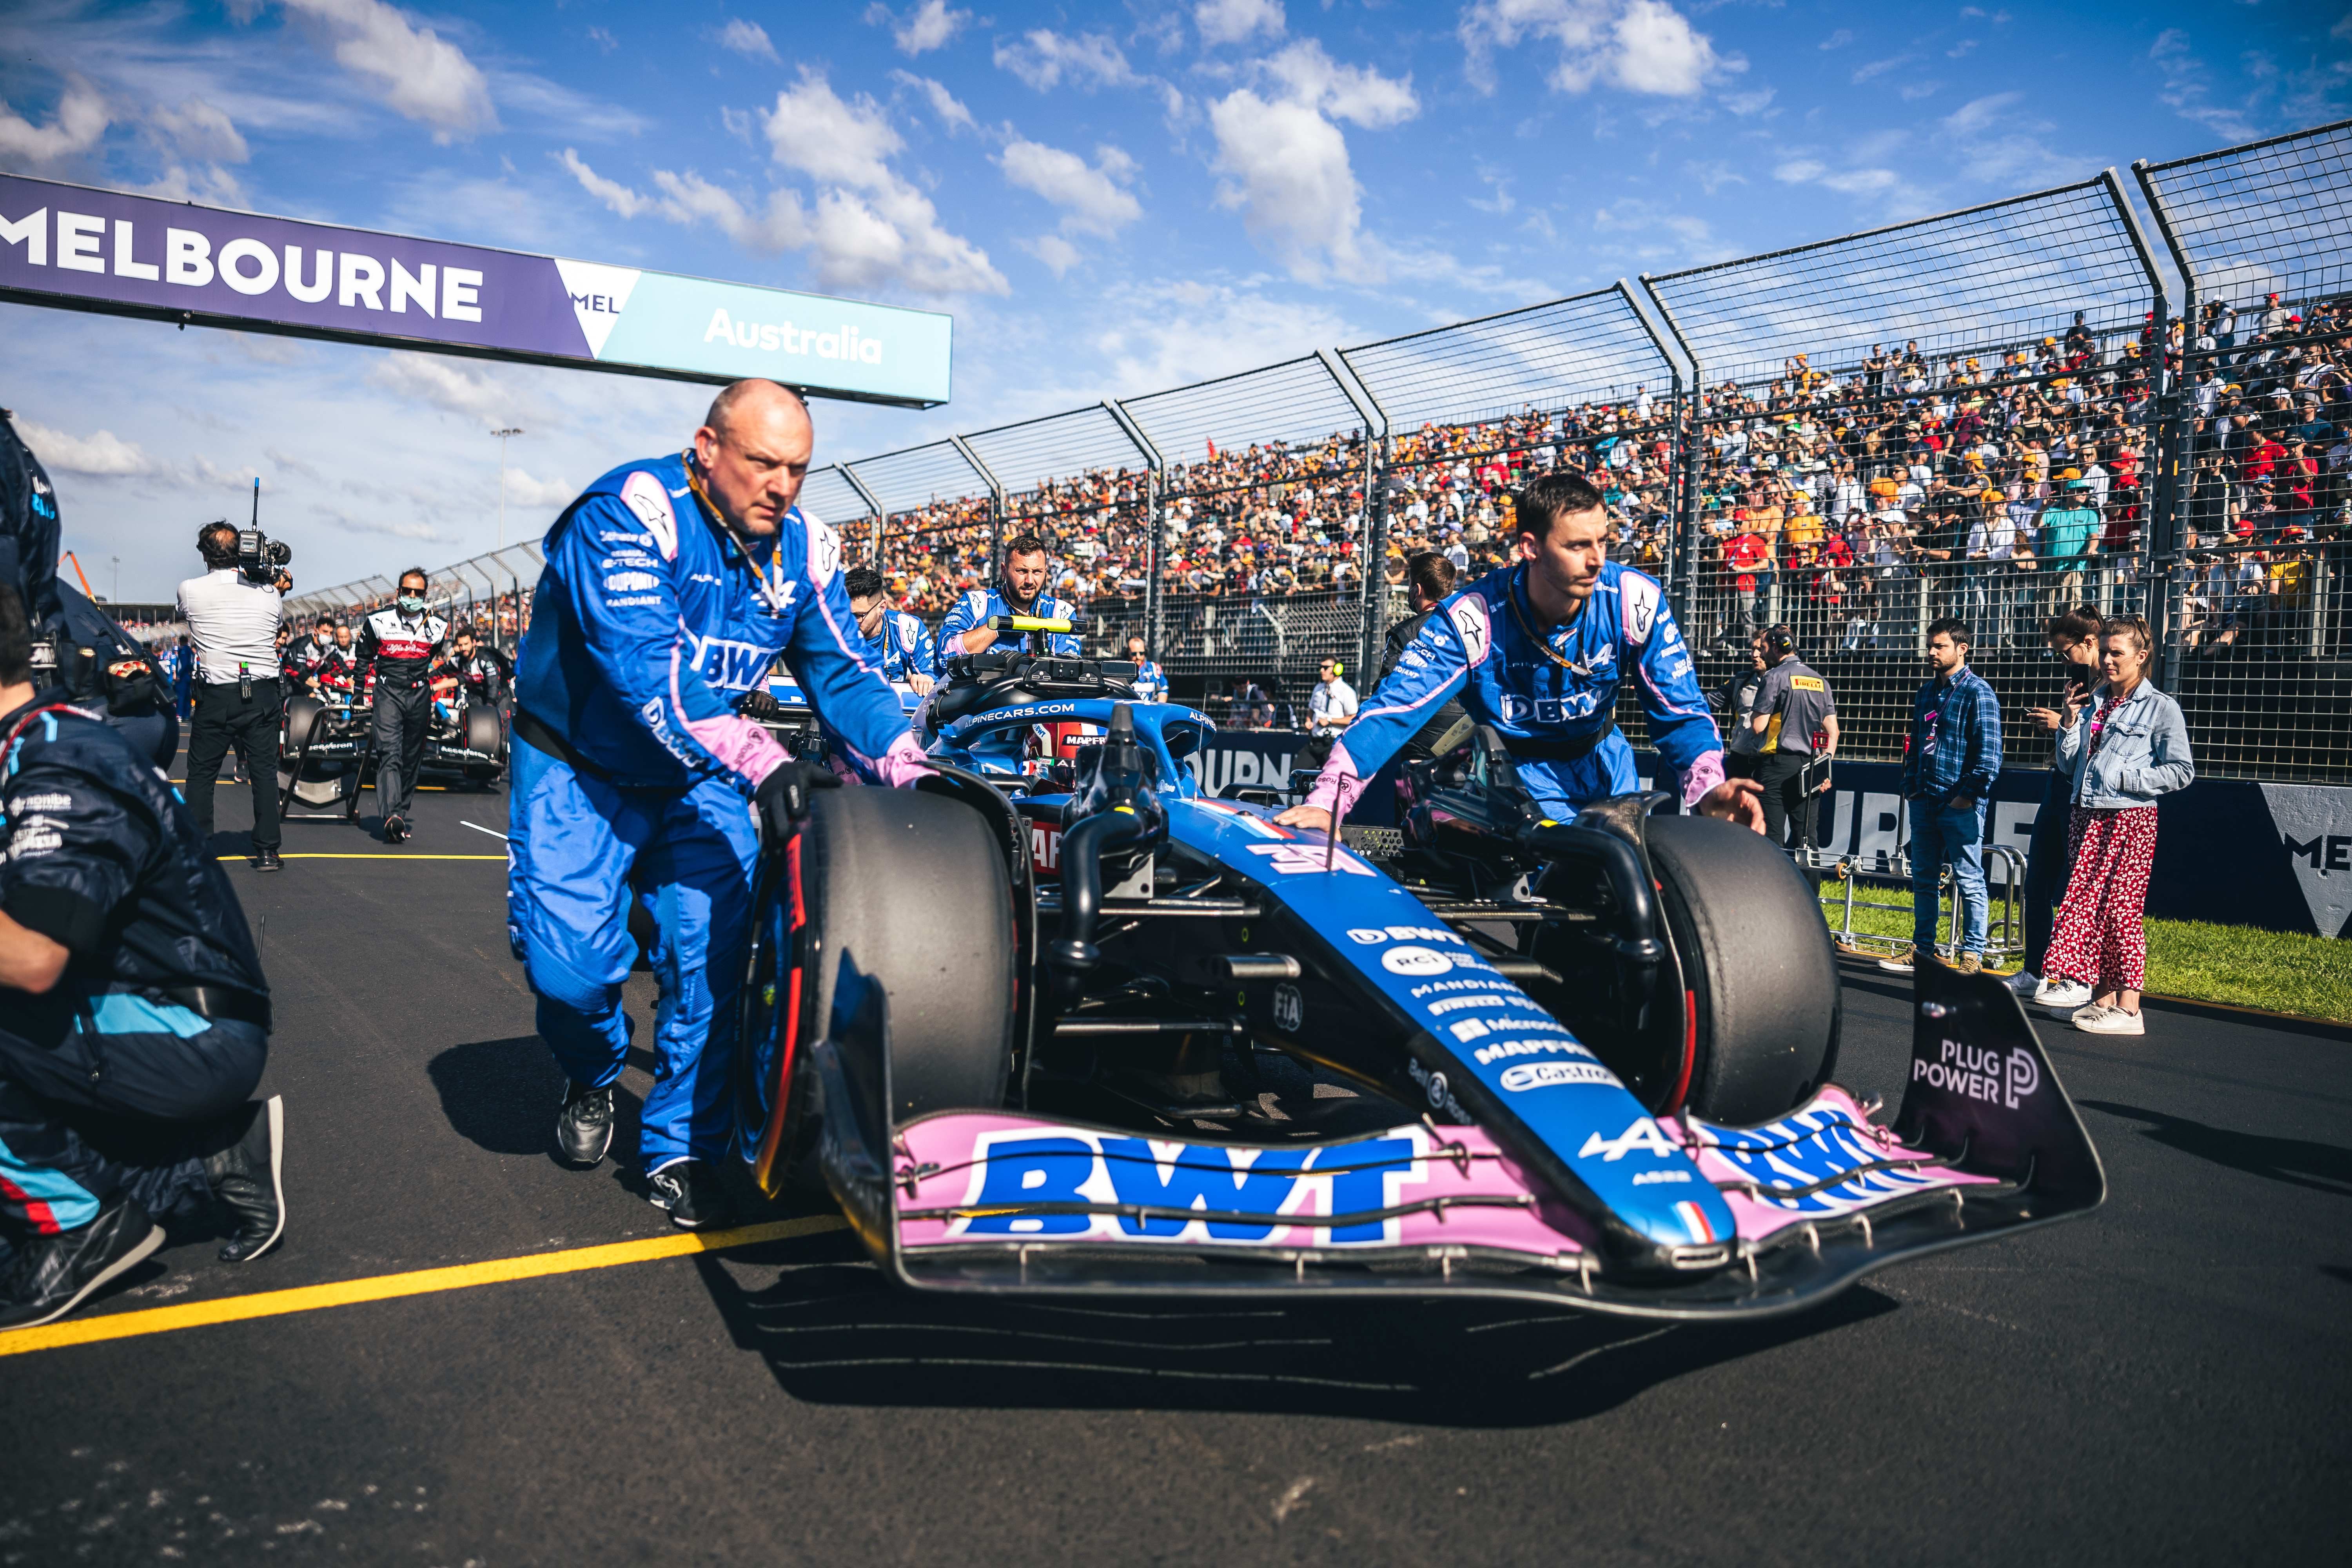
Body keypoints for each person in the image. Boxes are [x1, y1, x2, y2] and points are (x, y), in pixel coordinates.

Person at [508, 379, 927, 1230]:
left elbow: (843, 672)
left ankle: (677, 1146)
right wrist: (764, 760)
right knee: (571, 973)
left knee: (708, 966)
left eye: (799, 469)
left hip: (701, 778)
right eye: (763, 462)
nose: (781, 485)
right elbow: (646, 670)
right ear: (707, 448)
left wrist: (909, 765)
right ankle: (593, 1074)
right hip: (578, 767)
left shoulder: (805, 546)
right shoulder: (628, 512)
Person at [0, 583, 287, 1330]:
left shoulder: (62, 761)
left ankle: (78, 1225)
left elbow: (31, 958)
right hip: (139, 1010)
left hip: (193, 1027)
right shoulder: (31, 745)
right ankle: (211, 1168)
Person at [1274, 471, 1764, 833]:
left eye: (1603, 542)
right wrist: (1329, 800)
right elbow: (1392, 711)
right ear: (1529, 547)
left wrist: (1707, 788)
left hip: (1607, 764)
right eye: (1577, 545)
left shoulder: (1637, 600)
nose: (1597, 560)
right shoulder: (1471, 618)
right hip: (1517, 781)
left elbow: (1681, 714)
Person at [2034, 617, 2195, 1035]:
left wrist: (2126, 777)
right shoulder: (2094, 701)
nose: (2106, 660)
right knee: (2091, 911)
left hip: (2128, 817)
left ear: (2141, 657)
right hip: (2085, 814)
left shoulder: (2161, 707)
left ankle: (2129, 1008)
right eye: (2103, 651)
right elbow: (2071, 767)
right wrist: (2068, 726)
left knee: (2121, 911)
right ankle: (2101, 999)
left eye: (2116, 653)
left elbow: (2181, 771)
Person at [1883, 617, 2002, 975]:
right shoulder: (1925, 692)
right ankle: (1923, 950)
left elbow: (1990, 756)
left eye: (1940, 646)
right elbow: (1916, 746)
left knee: (1969, 879)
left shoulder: (1978, 692)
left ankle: (1972, 956)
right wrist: (1911, 787)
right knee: (1924, 879)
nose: (1932, 652)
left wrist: (1964, 798)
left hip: (1959, 804)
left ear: (1962, 649)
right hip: (1925, 800)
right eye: (1930, 646)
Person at [176, 521, 290, 872]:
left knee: (201, 774)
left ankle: (198, 849)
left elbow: (189, 613)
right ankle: (268, 851)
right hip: (262, 692)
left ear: (205, 554)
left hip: (217, 693)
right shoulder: (269, 593)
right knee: (265, 773)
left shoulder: (190, 589)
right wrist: (271, 582)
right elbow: (274, 619)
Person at [2006, 605, 2103, 1000]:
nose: (2064, 661)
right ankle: (2035, 971)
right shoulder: (2081, 683)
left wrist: (2062, 723)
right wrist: (2062, 722)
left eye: (2067, 652)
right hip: (2058, 784)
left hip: (2084, 793)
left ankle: (2078, 977)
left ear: (2090, 643)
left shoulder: (2111, 686)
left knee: (2077, 888)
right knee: (2037, 883)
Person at [350, 569, 450, 845]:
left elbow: (432, 655)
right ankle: (391, 814)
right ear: (399, 592)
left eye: (419, 593)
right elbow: (363, 657)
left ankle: (401, 813)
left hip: (420, 695)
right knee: (390, 754)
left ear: (425, 595)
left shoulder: (439, 626)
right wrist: (359, 692)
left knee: (411, 757)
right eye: (408, 591)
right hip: (388, 693)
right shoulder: (377, 621)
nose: (413, 597)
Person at [1747, 625, 1838, 882]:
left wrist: (1756, 710)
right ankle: (1811, 905)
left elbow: (1758, 726)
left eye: (1764, 649)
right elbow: (1833, 731)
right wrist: (1825, 766)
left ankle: (1775, 902)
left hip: (1776, 766)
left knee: (1773, 839)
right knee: (1807, 840)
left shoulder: (1774, 677)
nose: (1762, 655)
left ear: (1778, 647)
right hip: (1811, 768)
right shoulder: (1820, 681)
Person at [934, 533, 1081, 667]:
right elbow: (945, 656)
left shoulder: (1062, 613)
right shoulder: (975, 603)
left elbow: (1070, 671)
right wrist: (997, 628)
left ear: (1045, 572)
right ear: (1004, 571)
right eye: (1022, 571)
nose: (1030, 580)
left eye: (1037, 572)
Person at [1376, 552, 1469, 762]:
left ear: (1416, 590)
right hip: (1466, 732)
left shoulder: (1403, 632)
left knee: (1414, 791)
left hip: (1421, 733)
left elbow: (1385, 690)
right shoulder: (1471, 629)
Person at [843, 566, 935, 695]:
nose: (850, 622)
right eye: (846, 614)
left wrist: (923, 679)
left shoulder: (909, 628)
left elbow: (933, 681)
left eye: (859, 616)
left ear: (882, 608)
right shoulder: (833, 628)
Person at [1307, 657, 1357, 740]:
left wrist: (1329, 720)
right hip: (1315, 740)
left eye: (1326, 668)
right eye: (1321, 668)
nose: (1322, 671)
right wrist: (1308, 721)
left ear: (1337, 669)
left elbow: (1354, 719)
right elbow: (1311, 711)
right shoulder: (1318, 688)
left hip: (1335, 741)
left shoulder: (1347, 691)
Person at [1124, 634, 1167, 703]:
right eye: (1134, 654)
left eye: (1141, 653)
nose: (1138, 657)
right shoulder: (1120, 668)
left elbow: (1163, 689)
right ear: (1127, 652)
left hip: (1149, 711)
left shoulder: (1154, 668)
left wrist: (1159, 707)